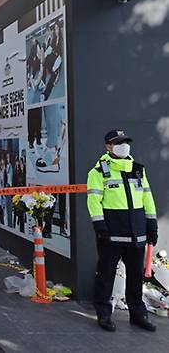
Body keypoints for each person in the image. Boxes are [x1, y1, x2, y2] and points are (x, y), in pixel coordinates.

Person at [87, 129, 158, 332]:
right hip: (111, 235)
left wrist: (151, 225)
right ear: (108, 146)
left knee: (136, 278)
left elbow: (147, 198)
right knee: (106, 275)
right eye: (118, 142)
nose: (123, 145)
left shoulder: (138, 169)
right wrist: (100, 226)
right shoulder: (98, 172)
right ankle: (104, 314)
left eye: (125, 142)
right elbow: (94, 201)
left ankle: (138, 314)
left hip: (137, 233)